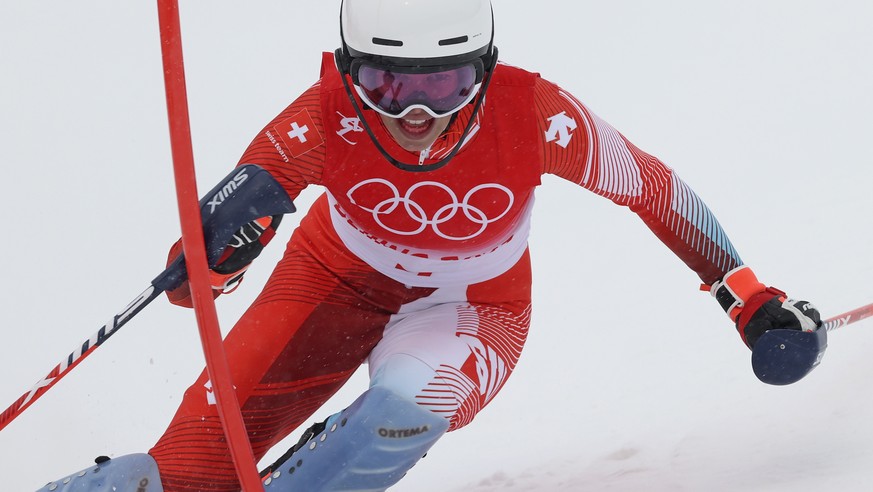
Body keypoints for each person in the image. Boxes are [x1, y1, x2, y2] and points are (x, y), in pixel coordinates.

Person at [38, 0, 823, 491]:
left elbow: (651, 188)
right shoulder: (318, 119)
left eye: (443, 86)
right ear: (348, 73)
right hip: (328, 282)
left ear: (483, 70)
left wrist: (746, 295)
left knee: (396, 415)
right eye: (385, 84)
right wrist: (212, 256)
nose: (415, 116)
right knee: (183, 477)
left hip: (470, 309)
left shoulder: (537, 115)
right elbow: (191, 287)